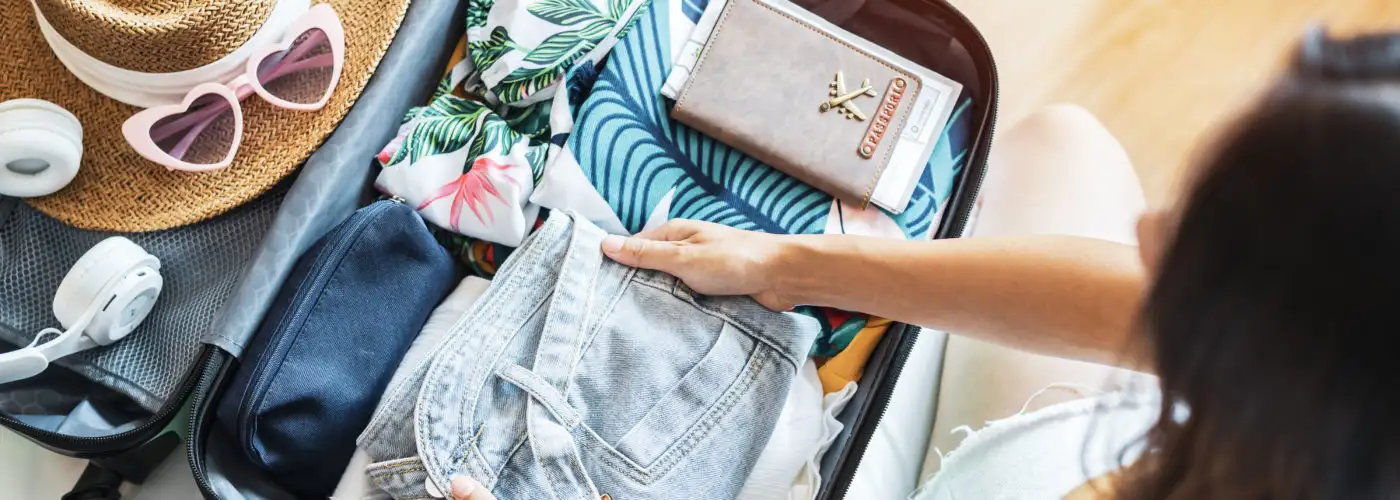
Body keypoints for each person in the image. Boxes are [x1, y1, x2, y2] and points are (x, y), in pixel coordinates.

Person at [448, 29, 1400, 499]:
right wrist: (790, 265)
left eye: (1194, 248)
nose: (1146, 231)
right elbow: (1140, 309)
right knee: (1066, 145)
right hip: (1080, 452)